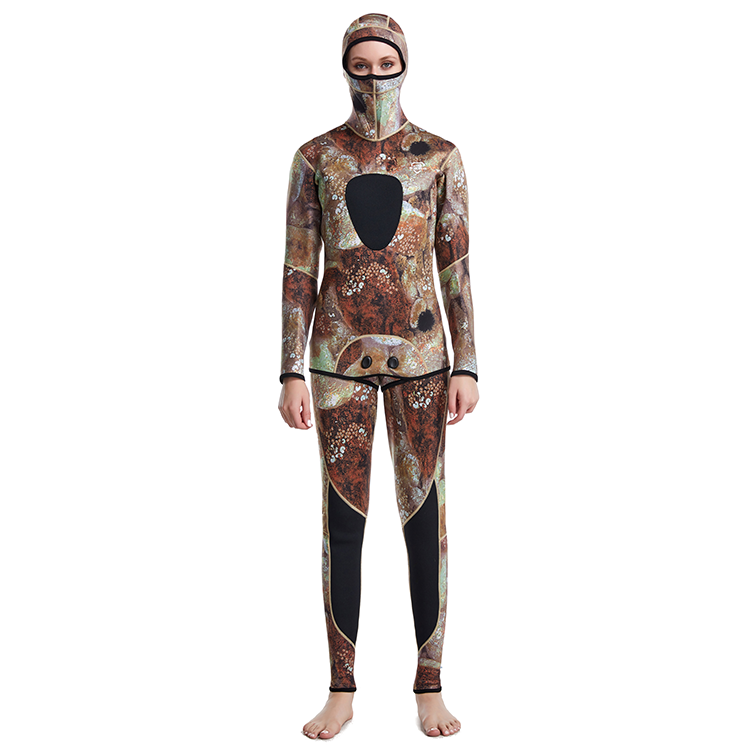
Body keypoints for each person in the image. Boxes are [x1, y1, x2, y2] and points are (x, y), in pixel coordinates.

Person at [278, 13, 479, 739]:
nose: (372, 78)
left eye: (384, 65)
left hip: (424, 363)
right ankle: (341, 688)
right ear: (344, 68)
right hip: (336, 364)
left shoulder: (440, 157)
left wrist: (468, 363)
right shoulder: (316, 158)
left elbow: (456, 268)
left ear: (404, 66)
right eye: (359, 65)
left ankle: (430, 684)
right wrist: (290, 370)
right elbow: (299, 268)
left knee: (425, 520)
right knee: (343, 523)